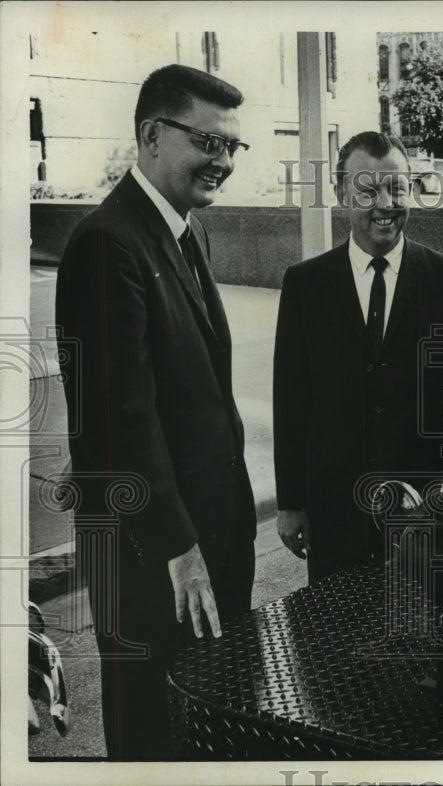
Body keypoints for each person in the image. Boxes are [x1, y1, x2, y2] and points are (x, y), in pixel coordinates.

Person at [55, 64, 256, 760]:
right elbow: (118, 419)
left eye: (233, 146)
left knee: (202, 729)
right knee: (153, 736)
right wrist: (179, 549)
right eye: (208, 140)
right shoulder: (107, 242)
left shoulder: (182, 231)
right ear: (150, 135)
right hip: (155, 560)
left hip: (200, 544)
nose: (223, 161)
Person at [273, 131, 443, 583]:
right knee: (333, 640)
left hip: (425, 505)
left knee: (419, 636)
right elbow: (290, 400)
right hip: (335, 510)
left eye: (397, 188)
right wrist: (291, 502)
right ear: (339, 192)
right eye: (367, 190)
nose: (385, 204)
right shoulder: (305, 284)